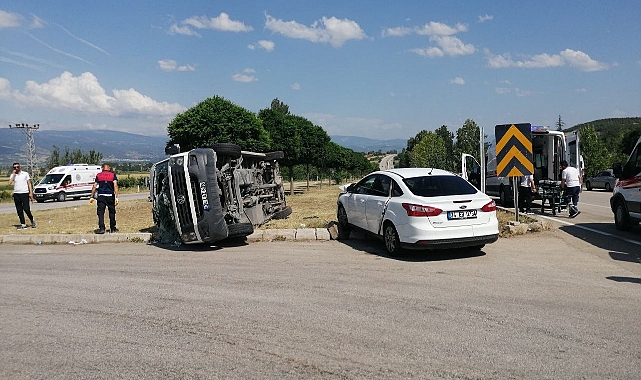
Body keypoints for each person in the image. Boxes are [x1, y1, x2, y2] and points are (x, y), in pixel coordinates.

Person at [90, 163, 119, 234]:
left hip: (101, 196)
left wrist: (92, 196)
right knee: (112, 212)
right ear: (109, 168)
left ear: (102, 168)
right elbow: (115, 185)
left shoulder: (99, 175)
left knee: (100, 213)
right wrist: (117, 197)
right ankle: (112, 228)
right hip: (110, 196)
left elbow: (94, 186)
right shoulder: (112, 175)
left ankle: (102, 228)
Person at [8, 162, 36, 229]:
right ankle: (23, 224)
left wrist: (31, 193)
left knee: (26, 209)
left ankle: (32, 219)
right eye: (15, 167)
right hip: (16, 194)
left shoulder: (25, 174)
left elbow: (29, 183)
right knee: (19, 210)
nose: (16, 168)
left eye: (17, 167)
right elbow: (9, 183)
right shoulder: (13, 175)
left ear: (20, 167)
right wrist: (14, 175)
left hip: (24, 193)